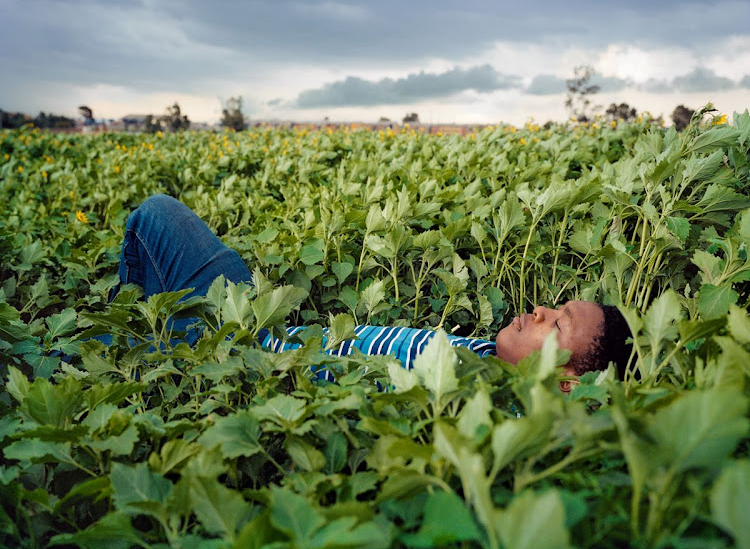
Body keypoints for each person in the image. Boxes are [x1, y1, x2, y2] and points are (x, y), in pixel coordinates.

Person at [115, 194, 632, 388]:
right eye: (555, 307)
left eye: (558, 323)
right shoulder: (485, 355)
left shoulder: (476, 399)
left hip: (239, 349)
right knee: (166, 224)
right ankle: (150, 346)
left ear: (567, 383)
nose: (539, 309)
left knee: (155, 217)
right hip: (256, 318)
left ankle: (143, 361)